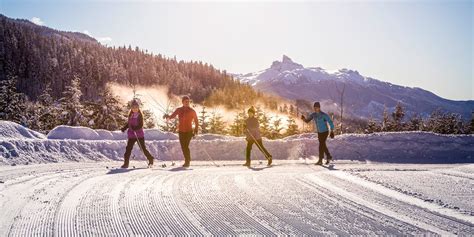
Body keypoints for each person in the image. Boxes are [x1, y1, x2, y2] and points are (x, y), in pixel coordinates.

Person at [163, 96, 198, 167]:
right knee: (183, 147)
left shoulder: (192, 111)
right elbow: (172, 116)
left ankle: (187, 161)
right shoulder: (179, 110)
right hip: (181, 131)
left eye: (188, 102)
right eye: (185, 101)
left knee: (186, 146)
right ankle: (187, 160)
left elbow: (196, 121)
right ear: (182, 102)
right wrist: (167, 116)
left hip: (189, 131)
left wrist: (195, 130)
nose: (187, 103)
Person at [120, 99, 155, 168]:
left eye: (136, 107)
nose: (134, 109)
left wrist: (135, 128)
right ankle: (126, 163)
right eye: (133, 108)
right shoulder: (131, 115)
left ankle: (150, 159)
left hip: (139, 135)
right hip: (131, 135)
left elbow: (141, 125)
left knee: (143, 148)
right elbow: (129, 124)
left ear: (138, 108)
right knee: (128, 149)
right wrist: (124, 128)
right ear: (131, 108)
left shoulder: (139, 115)